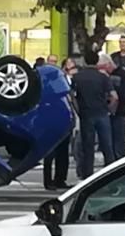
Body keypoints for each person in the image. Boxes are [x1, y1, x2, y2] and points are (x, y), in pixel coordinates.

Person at [72, 49, 117, 178]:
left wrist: (78, 110)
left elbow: (72, 96)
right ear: (97, 61)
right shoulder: (103, 77)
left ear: (85, 61)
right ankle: (111, 177)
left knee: (88, 149)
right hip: (102, 113)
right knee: (107, 147)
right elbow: (114, 97)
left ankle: (88, 176)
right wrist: (109, 110)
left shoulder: (77, 77)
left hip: (86, 114)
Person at [42, 58, 71, 190]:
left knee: (62, 152)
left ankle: (60, 179)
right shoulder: (44, 84)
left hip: (62, 119)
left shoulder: (62, 82)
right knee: (50, 152)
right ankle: (49, 181)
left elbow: (70, 99)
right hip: (50, 120)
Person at [109, 58, 125, 159]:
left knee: (119, 142)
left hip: (121, 112)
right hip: (115, 112)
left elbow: (123, 93)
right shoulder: (112, 74)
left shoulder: (123, 75)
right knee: (113, 142)